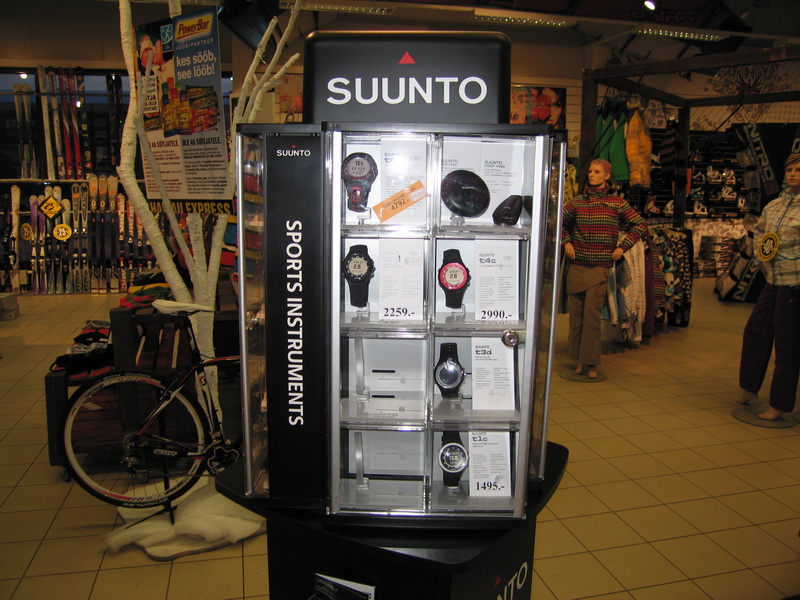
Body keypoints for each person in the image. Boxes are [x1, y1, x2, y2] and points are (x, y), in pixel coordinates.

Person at [562, 159, 646, 378]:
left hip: (599, 267)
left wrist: (623, 246)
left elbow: (640, 225)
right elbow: (558, 222)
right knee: (576, 316)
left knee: (592, 316)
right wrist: (566, 242)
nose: (591, 174)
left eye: (597, 171)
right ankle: (577, 359)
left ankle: (590, 362)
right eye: (590, 171)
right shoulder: (577, 202)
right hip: (577, 266)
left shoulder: (616, 203)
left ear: (607, 176)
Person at [737, 152, 800, 420]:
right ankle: (749, 387)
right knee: (756, 329)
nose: (793, 174)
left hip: (794, 281)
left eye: (798, 170)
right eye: (790, 169)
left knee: (786, 341)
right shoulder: (774, 205)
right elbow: (760, 231)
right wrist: (762, 254)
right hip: (772, 278)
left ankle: (780, 403)